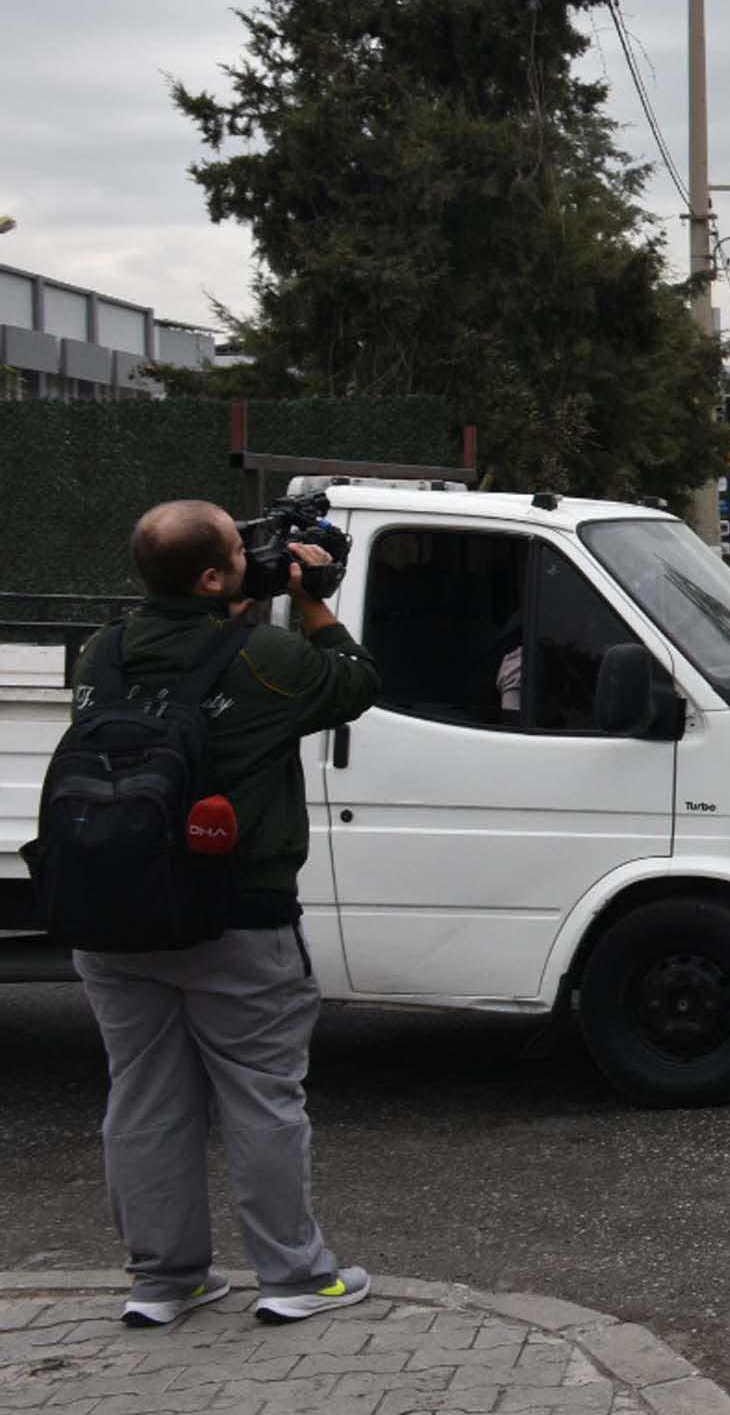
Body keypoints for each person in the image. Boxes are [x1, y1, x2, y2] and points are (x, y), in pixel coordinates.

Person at [70, 500, 380, 1329]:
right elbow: (353, 685)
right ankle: (294, 1277)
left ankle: (163, 1282)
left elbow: (184, 670)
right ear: (211, 577)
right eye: (240, 553)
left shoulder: (100, 651)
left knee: (141, 1100)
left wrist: (237, 605)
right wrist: (315, 598)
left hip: (113, 915)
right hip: (234, 916)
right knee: (261, 1097)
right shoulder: (266, 656)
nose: (256, 557)